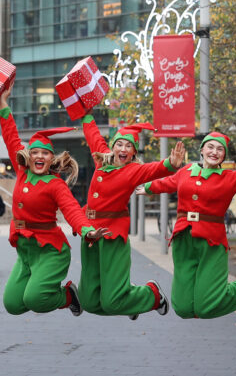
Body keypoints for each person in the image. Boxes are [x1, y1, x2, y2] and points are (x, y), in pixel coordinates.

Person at [141, 128, 236, 319]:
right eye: (210, 147)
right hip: (183, 240)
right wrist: (145, 187)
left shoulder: (230, 178)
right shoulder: (186, 171)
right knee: (183, 308)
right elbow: (168, 182)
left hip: (211, 242)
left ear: (223, 156)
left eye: (220, 149)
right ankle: (207, 301)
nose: (214, 152)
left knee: (205, 308)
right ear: (201, 150)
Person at [0, 86, 108, 316]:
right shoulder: (21, 171)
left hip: (50, 251)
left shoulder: (55, 184)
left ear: (51, 159)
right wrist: (3, 104)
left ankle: (67, 295)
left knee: (35, 299)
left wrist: (87, 230)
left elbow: (72, 210)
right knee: (13, 305)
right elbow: (11, 135)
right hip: (26, 252)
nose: (39, 156)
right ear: (29, 157)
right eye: (35, 152)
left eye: (44, 154)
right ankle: (59, 294)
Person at [79, 113, 186, 319]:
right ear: (113, 147)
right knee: (88, 302)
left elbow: (154, 169)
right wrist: (85, 114)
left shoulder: (133, 170)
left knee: (111, 303)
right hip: (90, 234)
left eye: (128, 147)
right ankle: (130, 302)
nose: (123, 149)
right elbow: (93, 135)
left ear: (133, 152)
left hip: (111, 235)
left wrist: (171, 164)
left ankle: (150, 295)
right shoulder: (101, 159)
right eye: (119, 144)